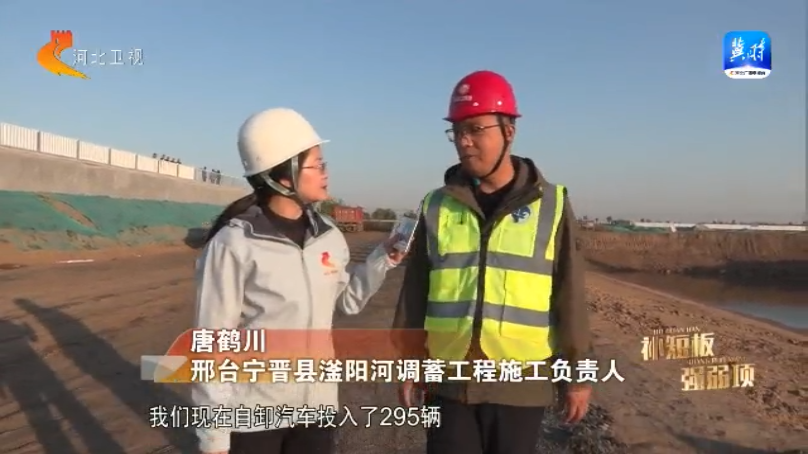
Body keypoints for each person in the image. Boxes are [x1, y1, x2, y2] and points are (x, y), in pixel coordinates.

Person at [392, 70, 593, 454]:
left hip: (520, 384)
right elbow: (414, 293)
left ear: (509, 131)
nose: (464, 142)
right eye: (457, 132)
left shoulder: (551, 204)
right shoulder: (436, 204)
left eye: (475, 129)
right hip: (447, 382)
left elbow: (569, 295)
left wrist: (578, 374)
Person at [193, 107, 406, 454]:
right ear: (284, 175)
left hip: (316, 412)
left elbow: (348, 301)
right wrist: (213, 438)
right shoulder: (234, 244)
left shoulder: (329, 236)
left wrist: (382, 259)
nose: (326, 172)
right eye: (317, 164)